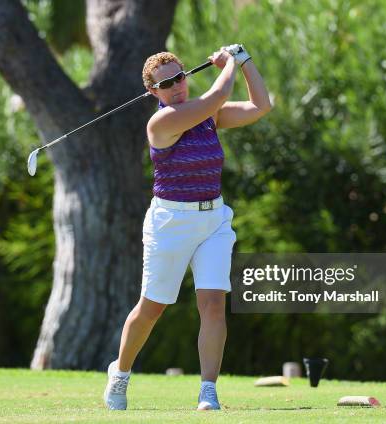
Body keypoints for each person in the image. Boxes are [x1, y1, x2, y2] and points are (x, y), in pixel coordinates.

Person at [103, 44, 272, 411]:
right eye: (167, 85)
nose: (177, 87)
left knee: (213, 305)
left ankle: (208, 390)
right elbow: (218, 94)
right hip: (171, 223)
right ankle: (120, 373)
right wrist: (226, 65)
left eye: (180, 77)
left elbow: (262, 106)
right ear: (154, 92)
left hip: (213, 220)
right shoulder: (160, 123)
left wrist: (244, 63)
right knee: (153, 307)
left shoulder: (208, 116)